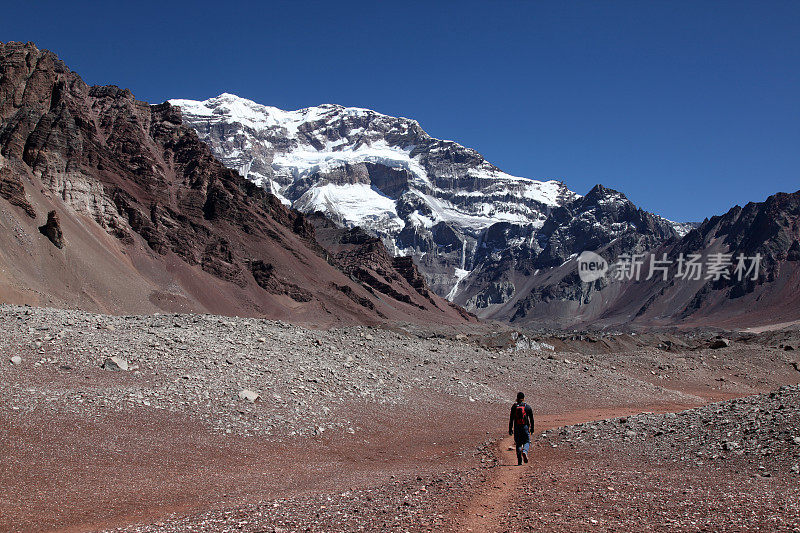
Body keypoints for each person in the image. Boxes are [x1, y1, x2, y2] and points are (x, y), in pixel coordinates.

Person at [508, 391, 534, 466]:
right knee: (527, 441)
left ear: (517, 398)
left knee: (518, 443)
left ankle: (519, 461)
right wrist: (532, 428)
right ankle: (525, 451)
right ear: (523, 398)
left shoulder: (514, 407)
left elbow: (511, 419)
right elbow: (531, 419)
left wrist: (510, 429)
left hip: (517, 427)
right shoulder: (527, 407)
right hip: (525, 427)